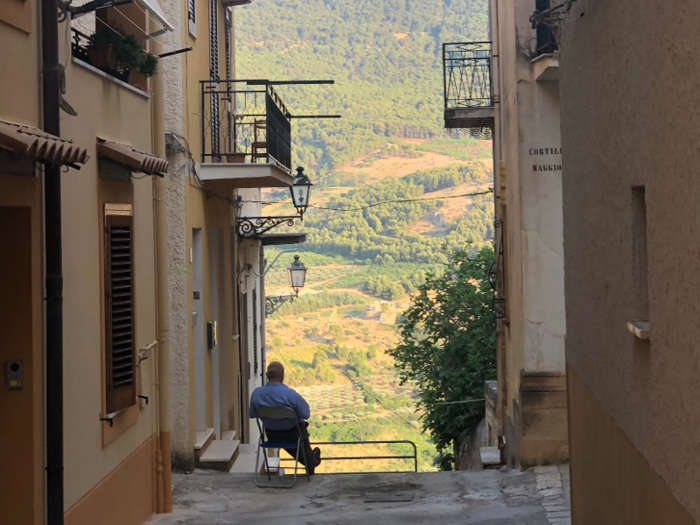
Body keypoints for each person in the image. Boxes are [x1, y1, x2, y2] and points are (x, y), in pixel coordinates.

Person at [249, 361, 322, 474]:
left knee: (298, 440)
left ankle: (311, 458)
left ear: (267, 376)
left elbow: (252, 414)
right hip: (292, 436)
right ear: (282, 375)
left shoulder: (256, 394)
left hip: (271, 435)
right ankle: (311, 460)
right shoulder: (290, 395)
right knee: (301, 430)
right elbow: (305, 414)